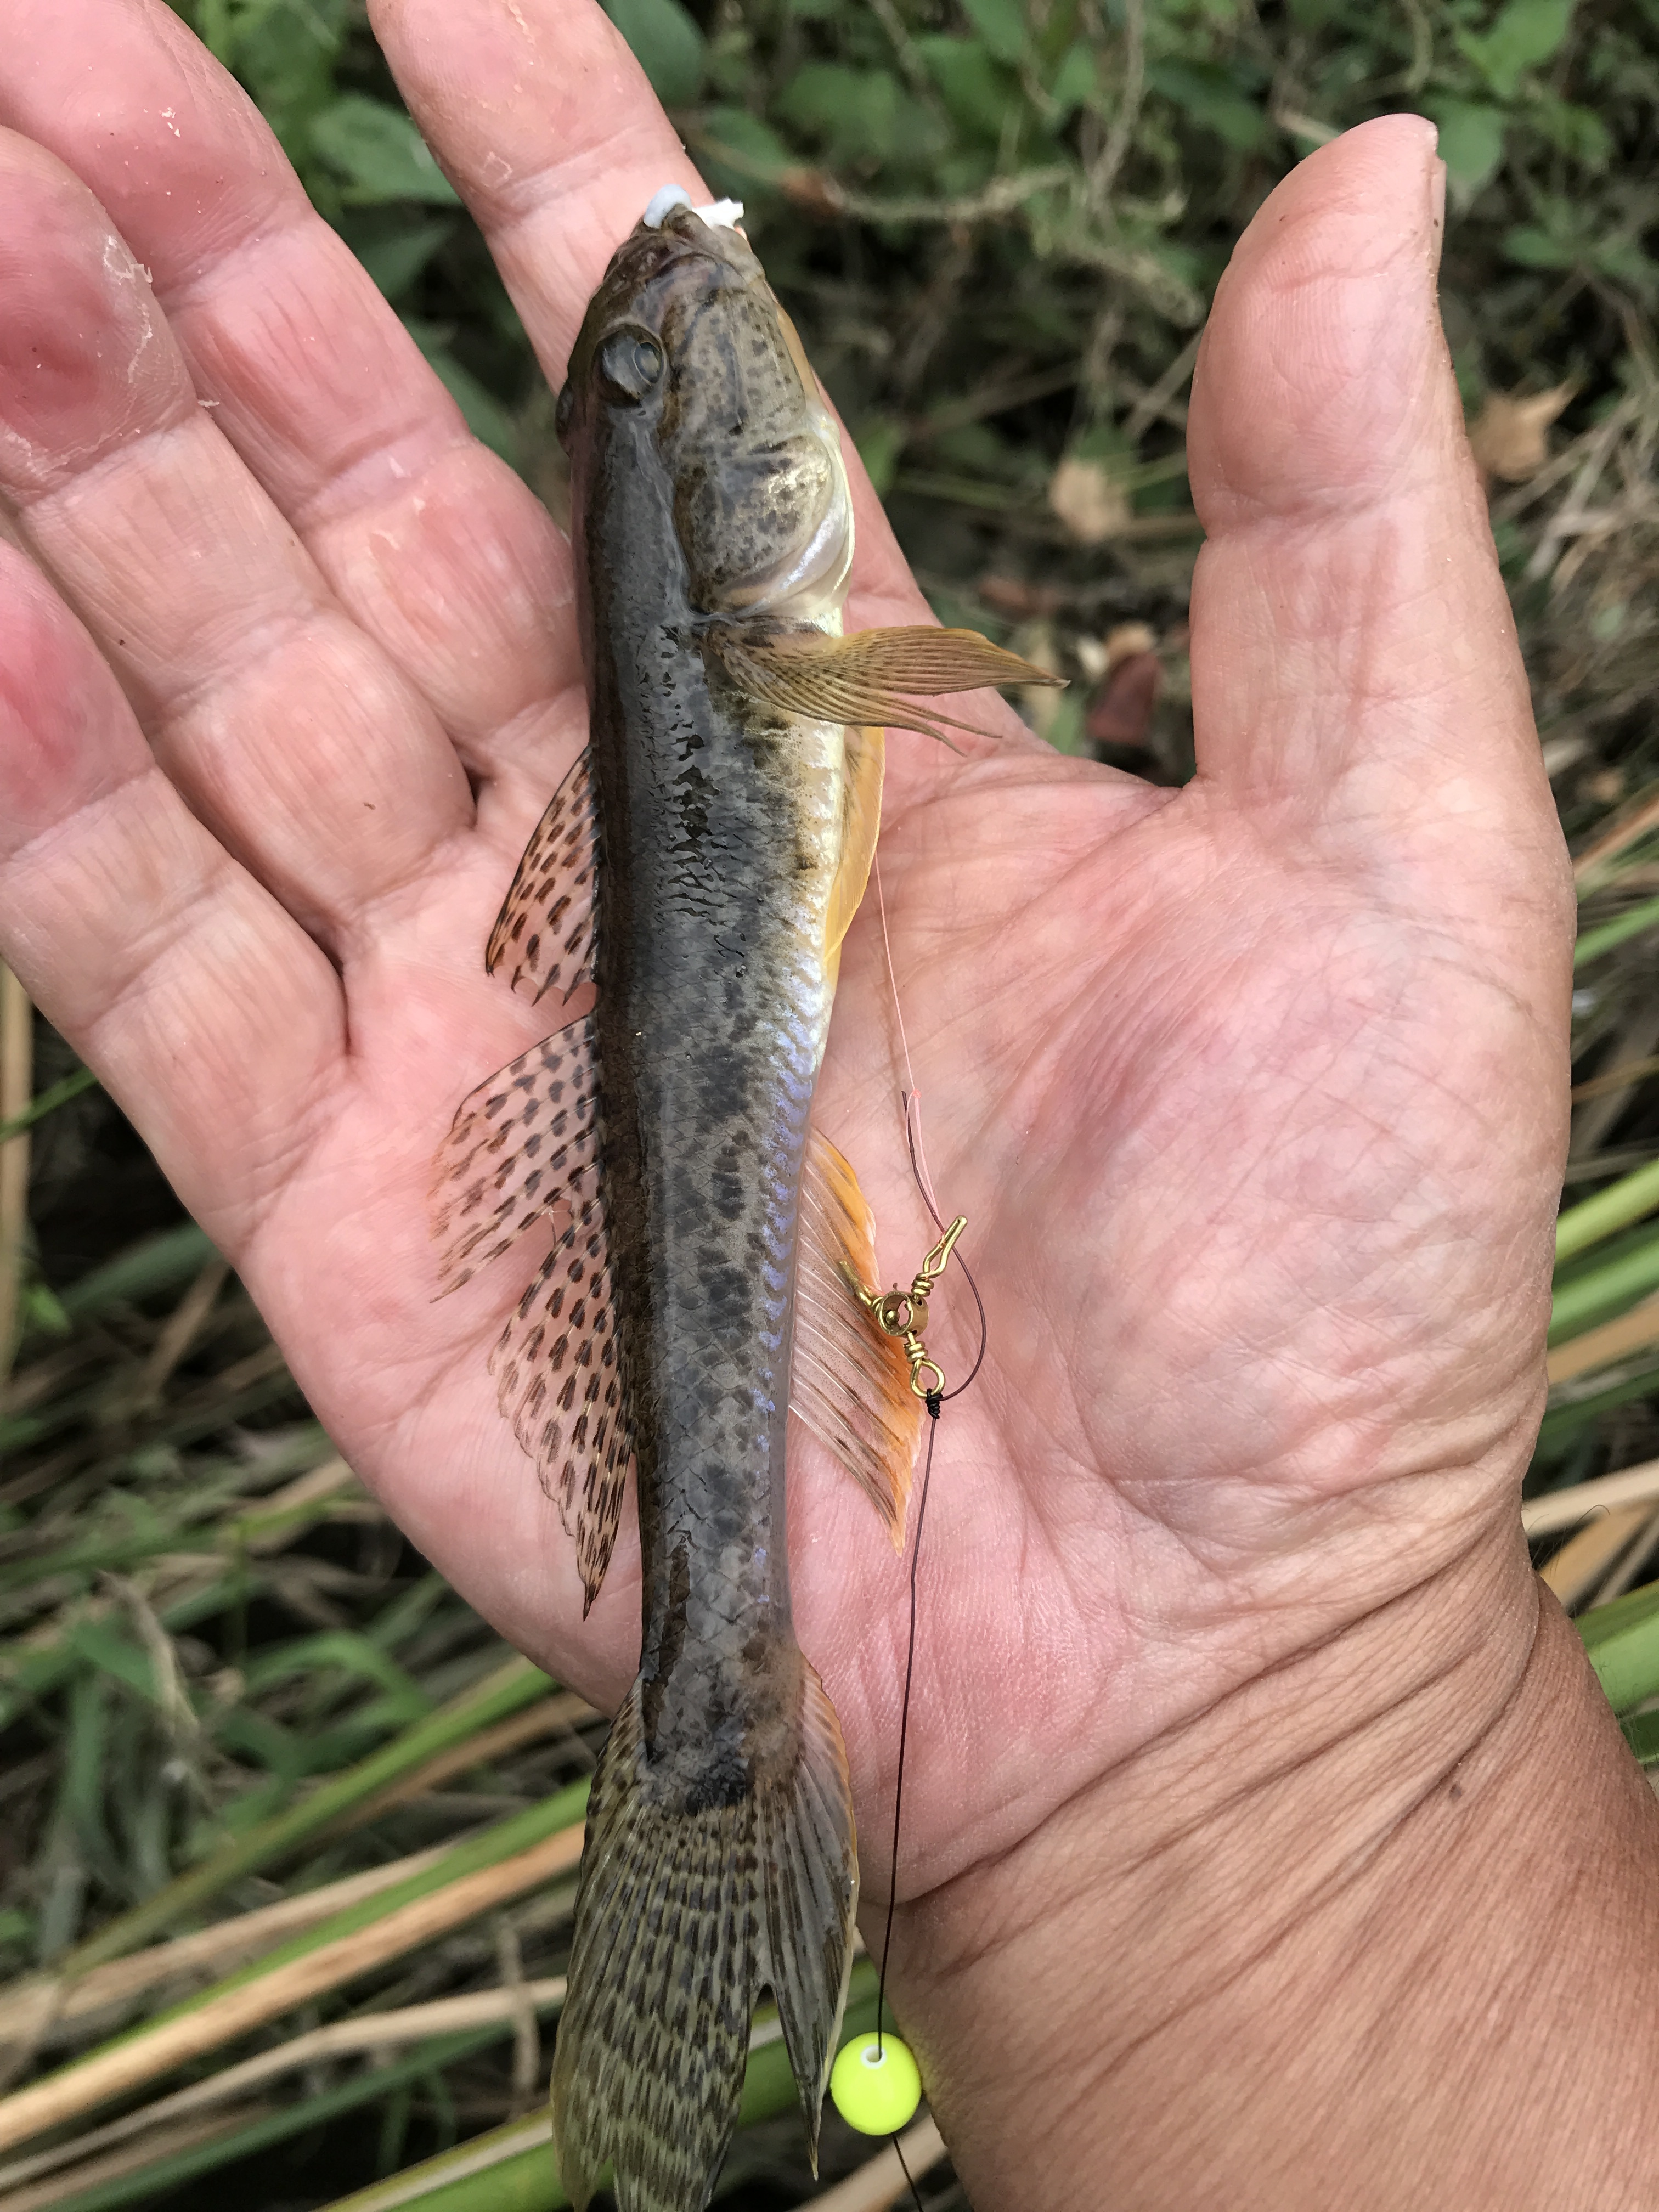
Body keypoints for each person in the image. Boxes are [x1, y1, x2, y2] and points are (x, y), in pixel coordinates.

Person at [1, 2, 1652, 2203]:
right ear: (752, 523)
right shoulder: (799, 648)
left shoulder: (783, 649)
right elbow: (916, 681)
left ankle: (715, 1747)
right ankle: (716, 1736)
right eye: (684, 395)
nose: (706, 316)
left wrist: (1267, 1752)